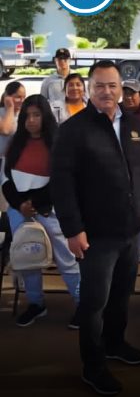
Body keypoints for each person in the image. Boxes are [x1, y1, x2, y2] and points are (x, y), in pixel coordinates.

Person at [51, 60, 140, 396]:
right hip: (94, 234)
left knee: (121, 295)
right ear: (88, 89)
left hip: (131, 230)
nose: (108, 92)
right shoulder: (73, 130)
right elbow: (62, 184)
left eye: (113, 86)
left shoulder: (133, 124)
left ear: (122, 89)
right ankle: (93, 366)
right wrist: (72, 229)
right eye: (100, 86)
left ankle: (115, 344)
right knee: (94, 303)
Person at [2, 95, 80, 328]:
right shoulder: (16, 143)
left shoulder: (58, 143)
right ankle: (36, 303)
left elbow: (62, 180)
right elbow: (5, 177)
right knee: (28, 259)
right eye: (27, 115)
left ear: (45, 116)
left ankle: (83, 303)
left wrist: (34, 203)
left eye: (36, 115)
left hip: (49, 211)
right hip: (20, 212)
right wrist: (20, 205)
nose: (31, 120)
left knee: (67, 259)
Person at [0, 82, 26, 214]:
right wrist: (9, 107)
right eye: (17, 97)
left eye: (23, 97)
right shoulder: (2, 112)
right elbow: (5, 129)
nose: (21, 101)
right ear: (7, 96)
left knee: (6, 202)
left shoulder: (24, 115)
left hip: (10, 163)